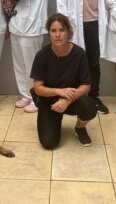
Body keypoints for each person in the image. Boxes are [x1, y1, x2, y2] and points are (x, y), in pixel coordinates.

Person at [31, 13, 97, 149]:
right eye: (53, 31)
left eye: (61, 30)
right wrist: (59, 91)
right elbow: (38, 88)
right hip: (49, 102)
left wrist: (67, 100)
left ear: (69, 32)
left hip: (72, 99)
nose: (57, 35)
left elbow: (86, 85)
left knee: (89, 106)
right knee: (49, 143)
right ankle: (52, 120)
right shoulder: (42, 55)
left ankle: (80, 128)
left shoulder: (79, 53)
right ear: (49, 33)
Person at [9, 0, 50, 113]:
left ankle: (36, 98)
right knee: (19, 65)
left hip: (32, 30)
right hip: (17, 28)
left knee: (32, 67)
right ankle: (25, 95)